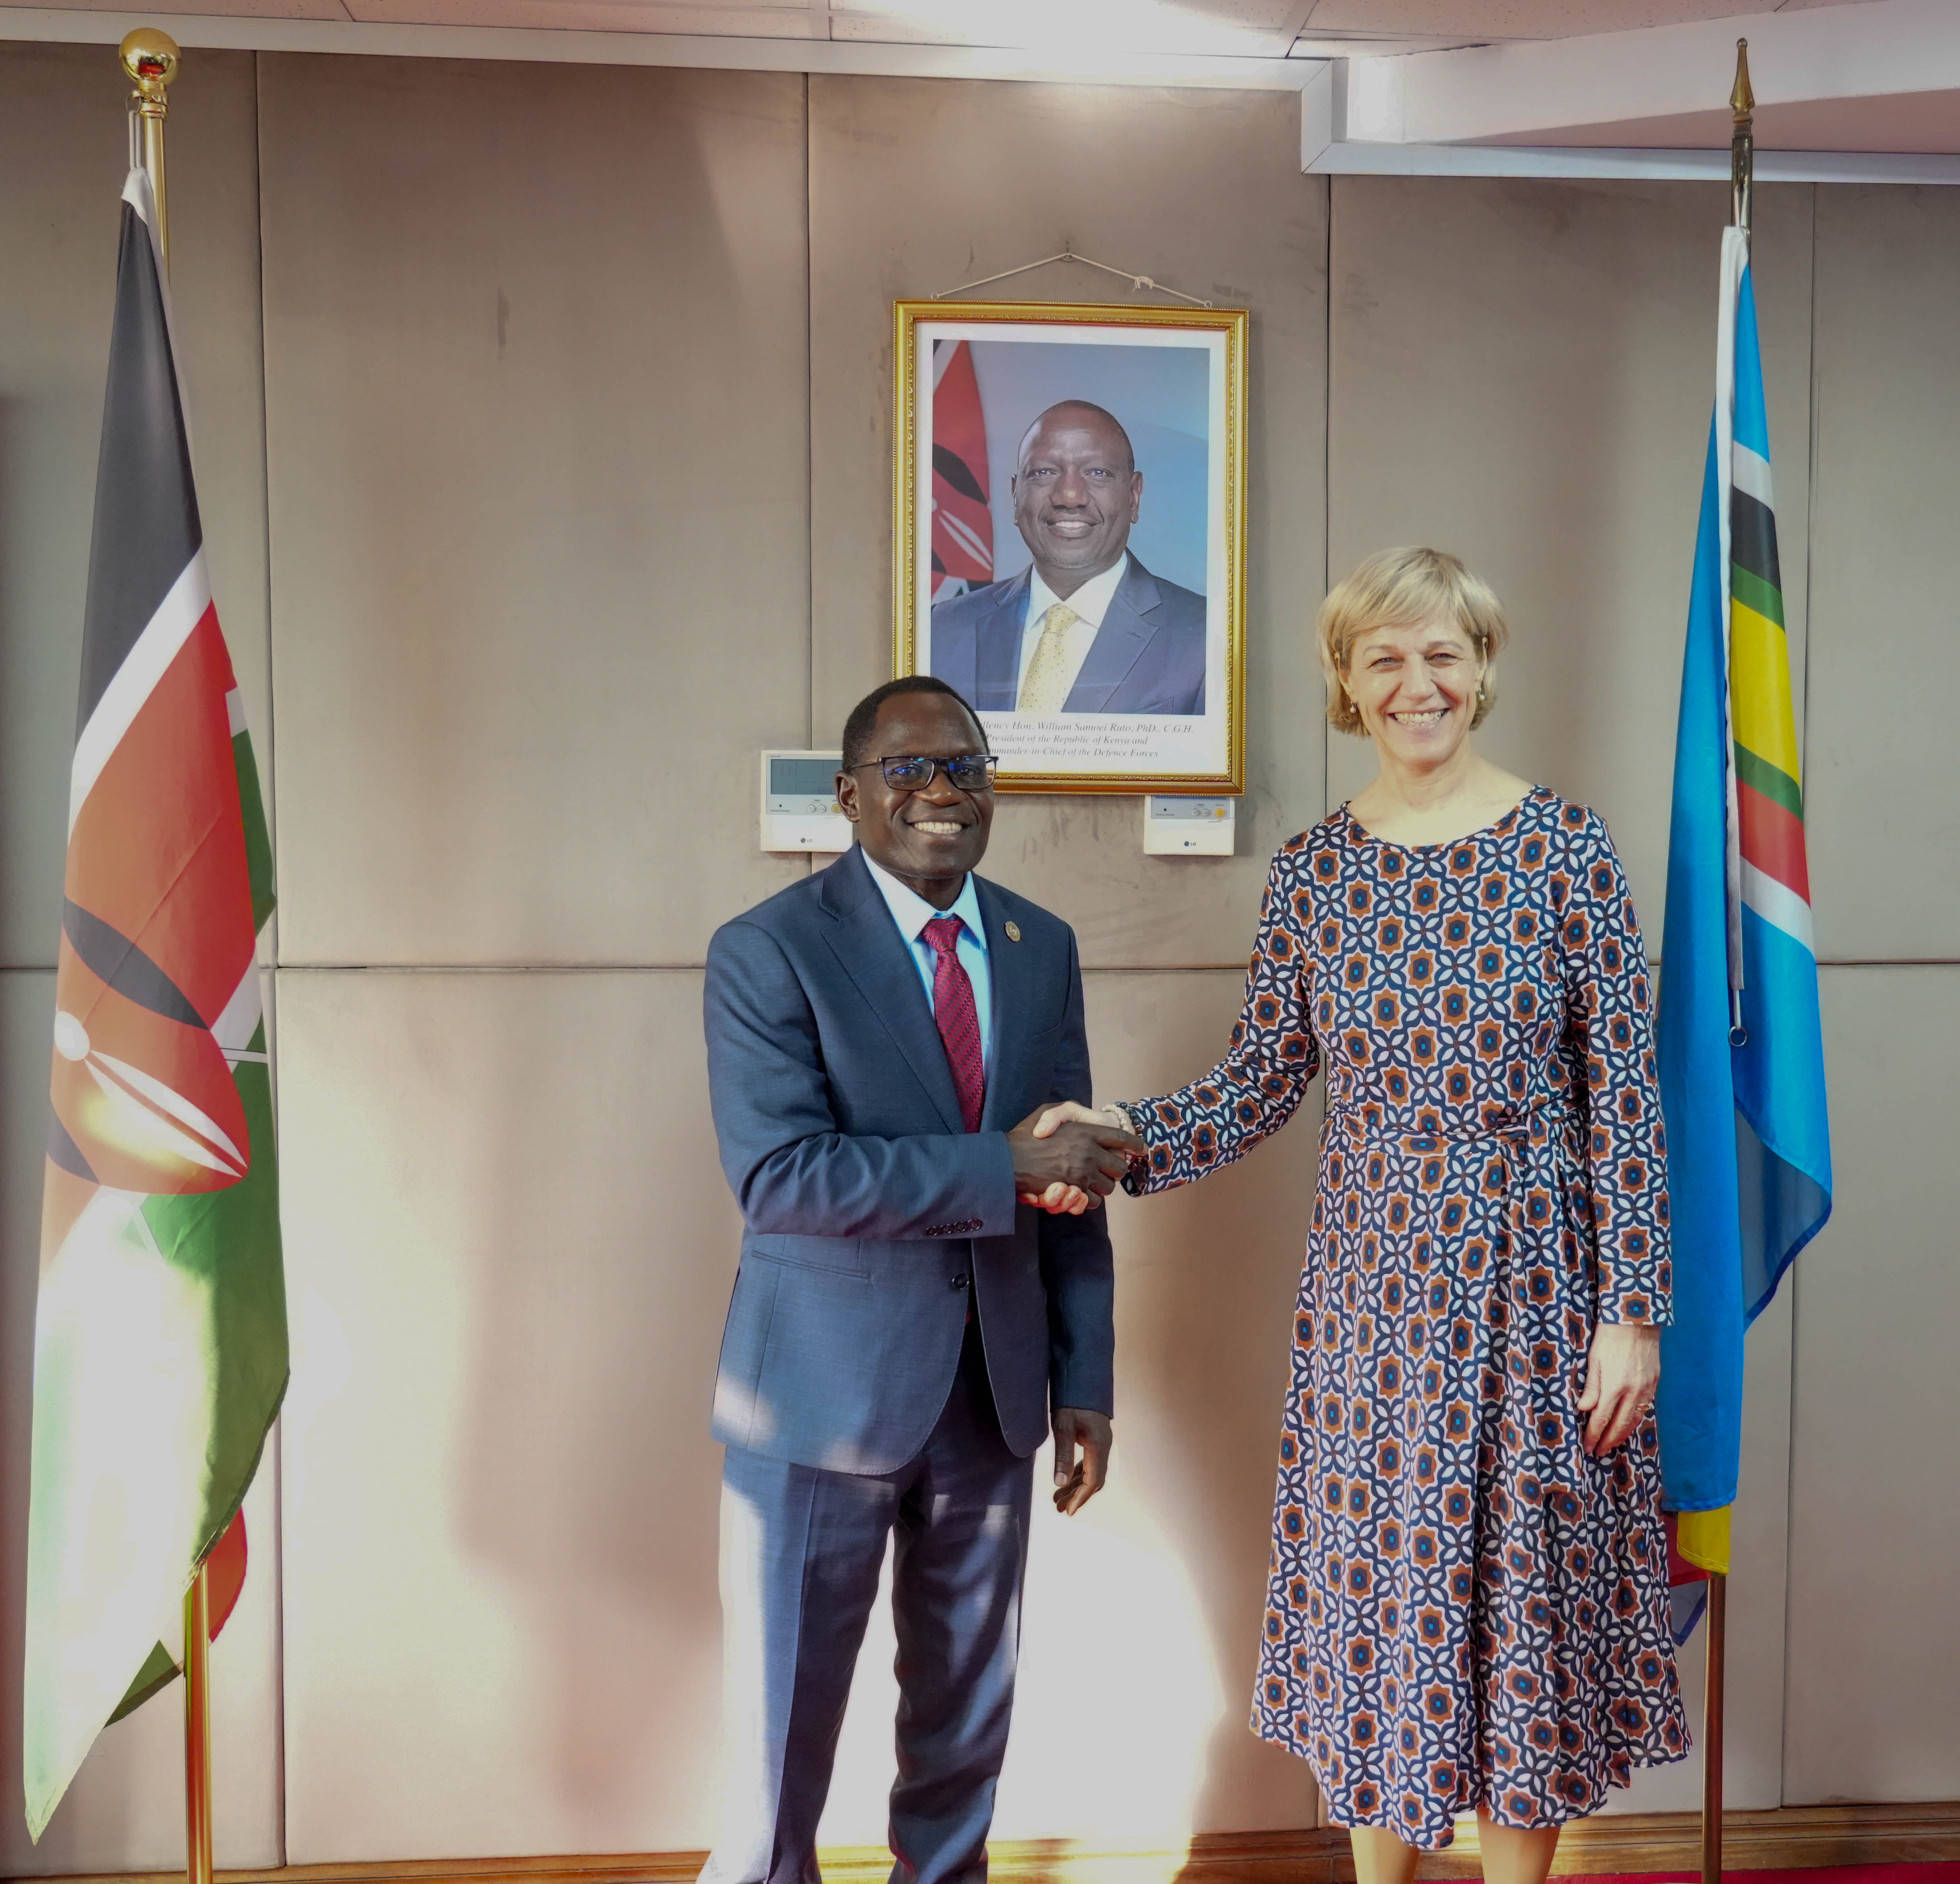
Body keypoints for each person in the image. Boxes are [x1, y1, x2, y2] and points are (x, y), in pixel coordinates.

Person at [1030, 548, 1688, 1884]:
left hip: (1540, 1295)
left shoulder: (1566, 848)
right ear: (1348, 681)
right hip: (1375, 1305)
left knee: (1523, 1627)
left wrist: (1634, 1313)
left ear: (1482, 666)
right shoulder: (1321, 872)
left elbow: (1627, 1098)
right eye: (1384, 658)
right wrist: (1114, 1142)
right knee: (1378, 1616)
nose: (1417, 682)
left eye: (1441, 652)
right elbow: (1262, 1080)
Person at [699, 675, 1144, 1884]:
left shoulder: (1038, 946)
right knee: (778, 1746)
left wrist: (1082, 1379)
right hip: (815, 1404)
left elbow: (1071, 1185)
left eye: (965, 767)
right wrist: (999, 1164)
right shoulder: (766, 950)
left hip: (990, 1404)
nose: (941, 790)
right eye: (909, 770)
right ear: (849, 796)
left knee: (963, 1729)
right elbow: (785, 1175)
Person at [929, 400, 1206, 716]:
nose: (1069, 496)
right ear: (1015, 494)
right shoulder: (941, 629)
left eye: (1097, 473)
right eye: (1044, 472)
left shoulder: (1205, 635)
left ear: (1133, 496)